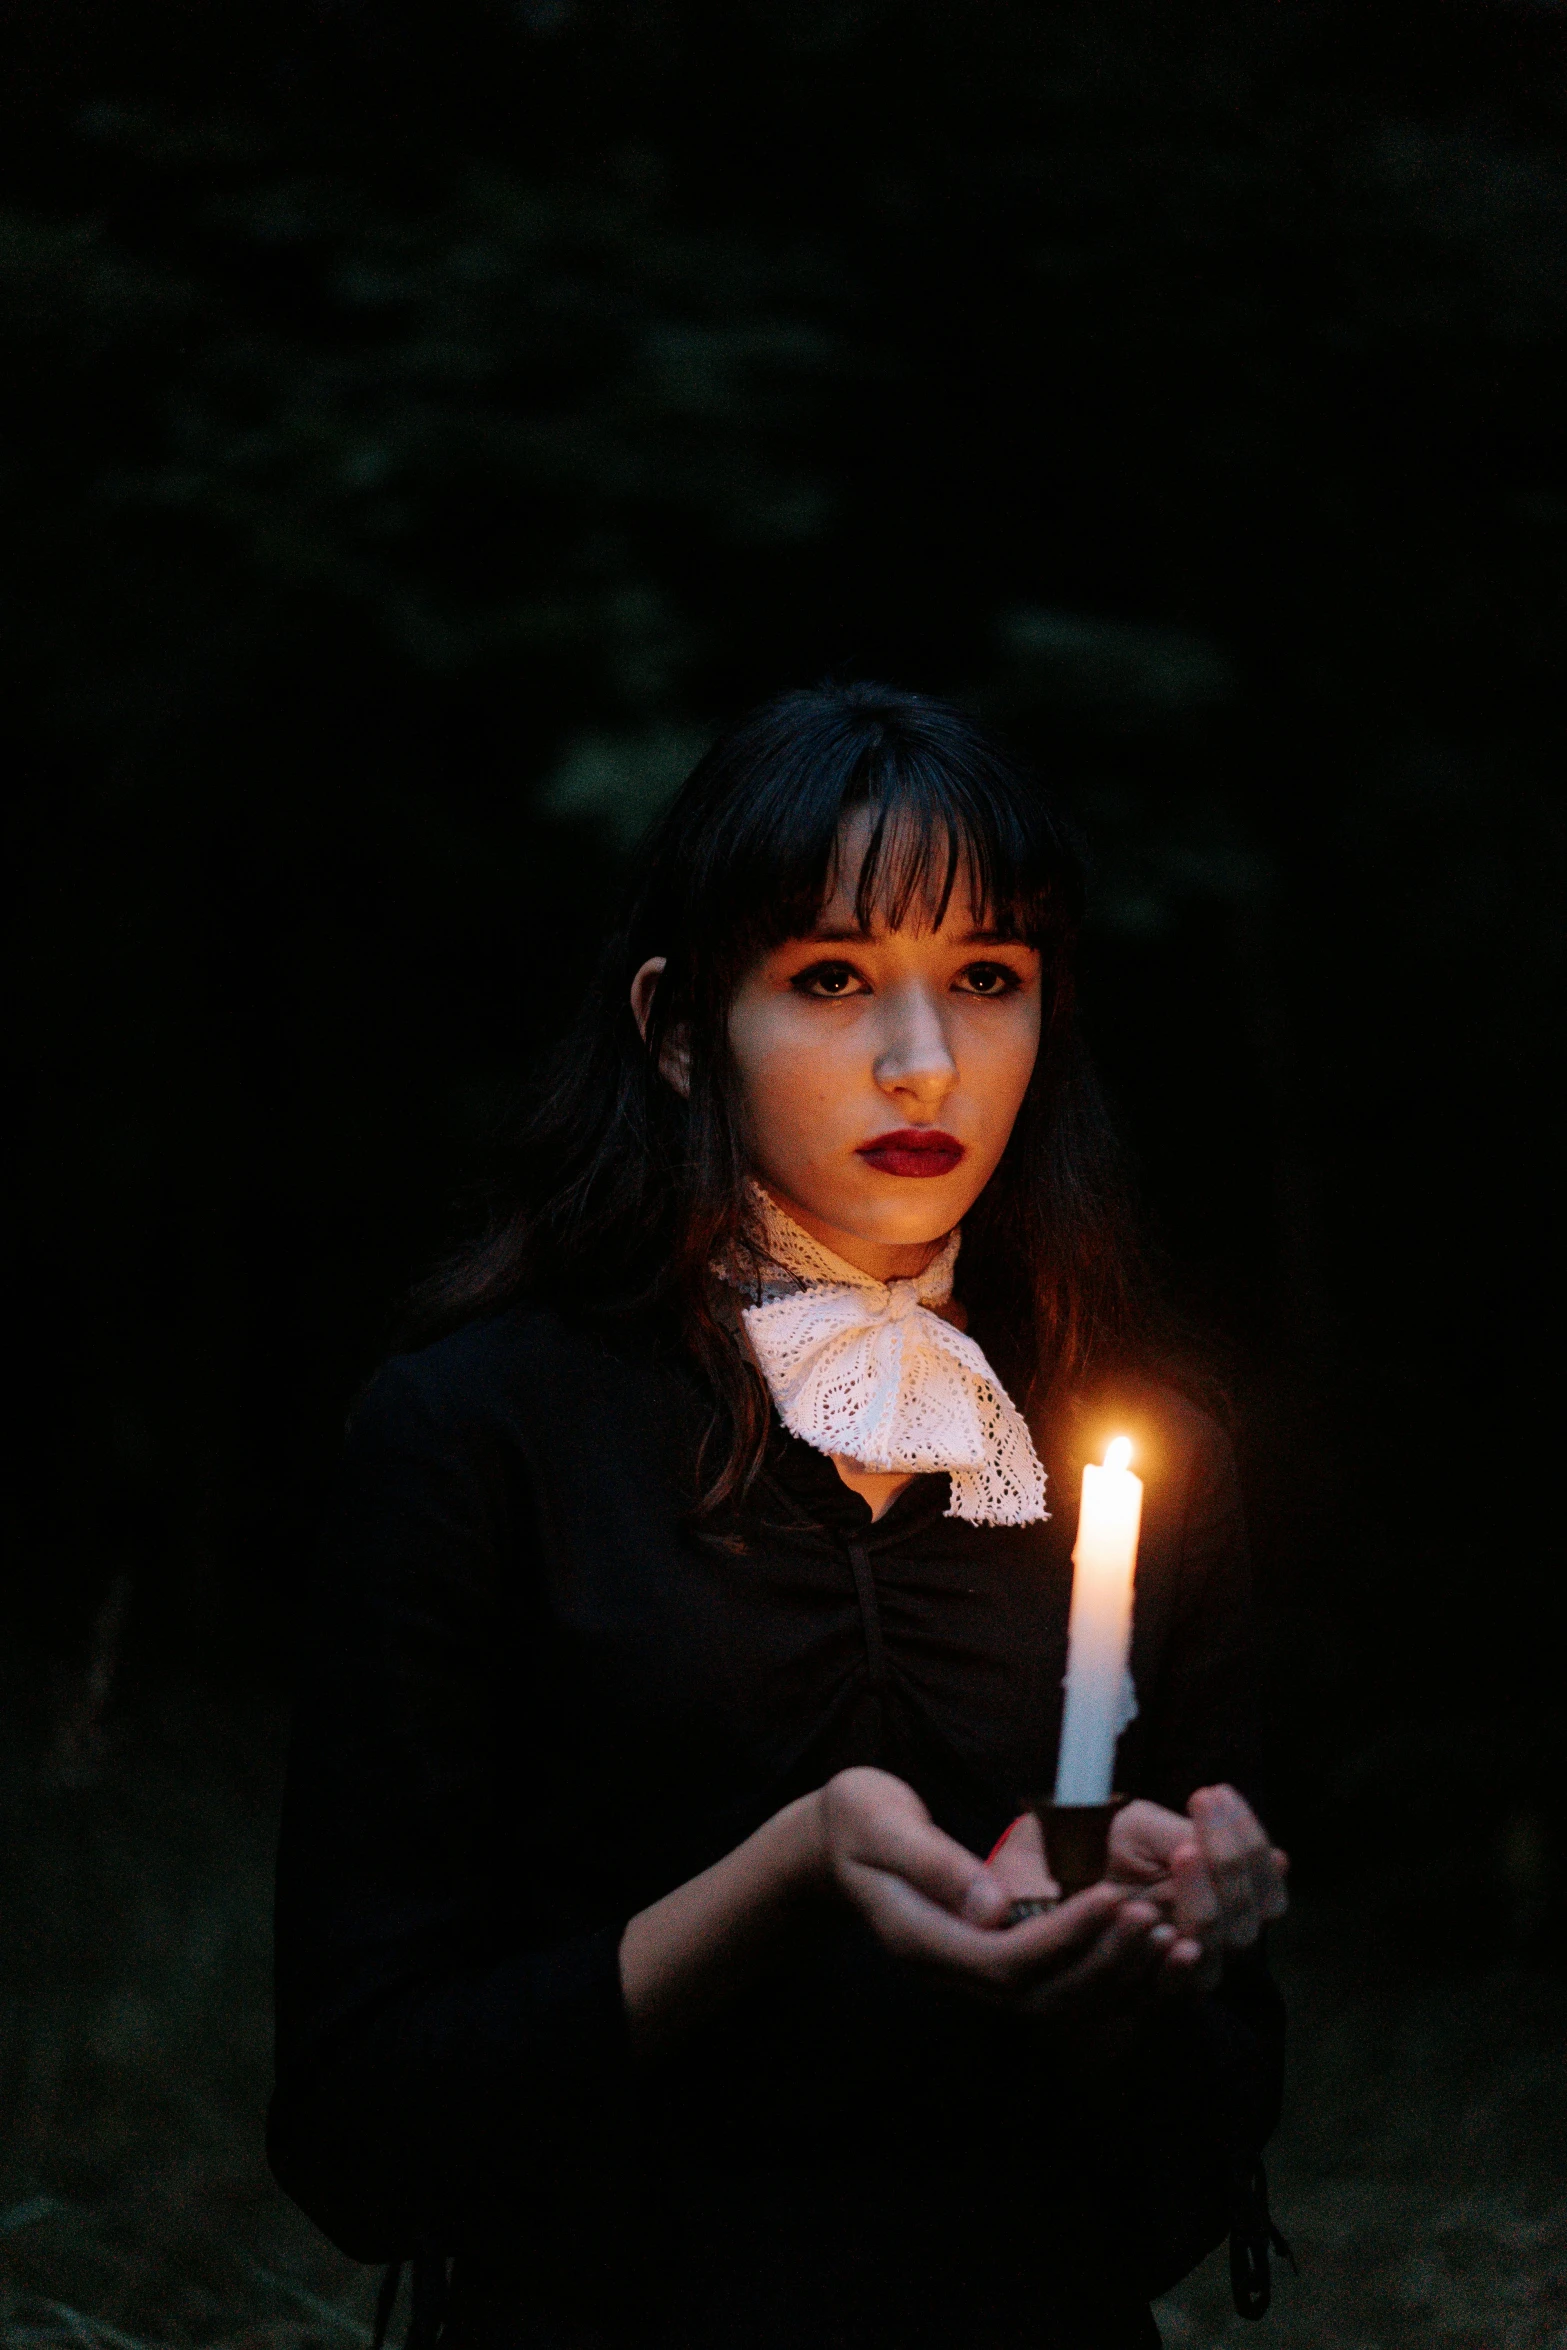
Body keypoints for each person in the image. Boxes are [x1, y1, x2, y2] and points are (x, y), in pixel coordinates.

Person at [268, 684, 1290, 2350]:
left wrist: (1145, 1965)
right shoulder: (478, 1430)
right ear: (676, 1024)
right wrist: (787, 1874)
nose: (923, 1060)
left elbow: (1204, 2154)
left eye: (986, 978)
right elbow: (361, 2137)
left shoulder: (1142, 1455)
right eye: (830, 978)